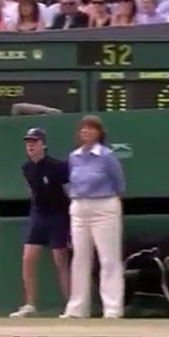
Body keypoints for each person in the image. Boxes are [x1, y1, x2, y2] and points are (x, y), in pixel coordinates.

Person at [61, 115, 125, 319]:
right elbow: (69, 181)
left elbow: (119, 183)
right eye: (82, 129)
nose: (85, 131)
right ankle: (77, 308)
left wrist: (102, 197)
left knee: (108, 259)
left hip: (105, 207)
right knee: (80, 258)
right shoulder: (73, 157)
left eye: (90, 128)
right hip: (79, 209)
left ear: (99, 132)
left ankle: (112, 309)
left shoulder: (107, 156)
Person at [10, 128, 71, 318]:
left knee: (60, 261)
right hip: (39, 217)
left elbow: (69, 191)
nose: (30, 145)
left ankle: (70, 305)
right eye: (28, 142)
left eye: (34, 142)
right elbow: (33, 191)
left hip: (58, 216)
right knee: (27, 258)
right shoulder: (26, 168)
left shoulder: (58, 166)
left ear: (43, 144)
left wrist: (69, 220)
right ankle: (30, 304)